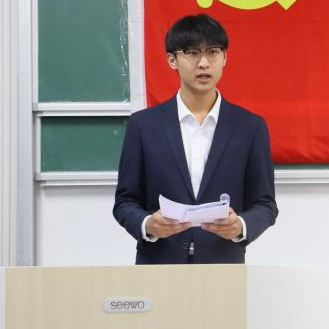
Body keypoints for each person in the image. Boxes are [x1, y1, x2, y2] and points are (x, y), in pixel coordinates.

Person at [113, 14, 278, 264]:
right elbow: (125, 201)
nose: (203, 63)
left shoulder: (249, 127)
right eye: (192, 53)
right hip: (159, 265)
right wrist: (148, 224)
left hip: (222, 266)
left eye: (213, 52)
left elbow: (265, 204)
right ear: (172, 60)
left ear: (225, 58)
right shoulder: (143, 126)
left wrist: (241, 226)